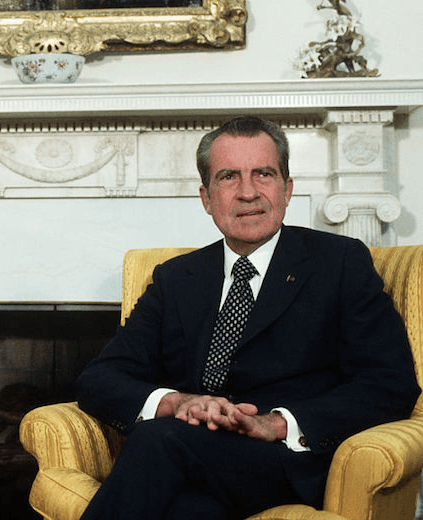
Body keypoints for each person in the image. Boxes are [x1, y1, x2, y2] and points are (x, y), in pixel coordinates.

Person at [75, 116, 420, 519]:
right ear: (206, 198)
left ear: (287, 189)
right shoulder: (176, 278)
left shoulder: (339, 262)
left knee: (157, 440)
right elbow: (99, 379)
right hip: (196, 454)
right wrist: (178, 402)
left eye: (264, 174)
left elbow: (389, 383)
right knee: (189, 511)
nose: (248, 193)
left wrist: (276, 424)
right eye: (228, 177)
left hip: (285, 461)